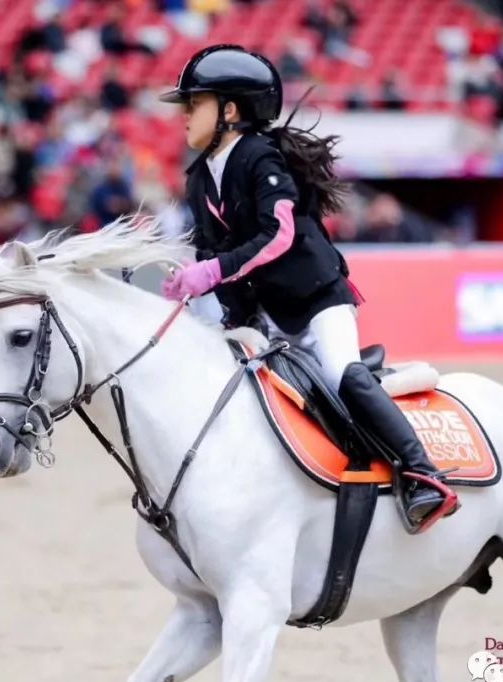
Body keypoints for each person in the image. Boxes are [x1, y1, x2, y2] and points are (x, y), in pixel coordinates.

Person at [158, 45, 458, 533]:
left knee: (342, 374)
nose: (185, 115)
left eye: (195, 104)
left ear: (230, 111)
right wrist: (215, 301)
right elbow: (209, 251)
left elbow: (279, 234)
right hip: (265, 315)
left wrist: (212, 273)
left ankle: (422, 473)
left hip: (319, 302)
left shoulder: (259, 156)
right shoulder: (198, 180)